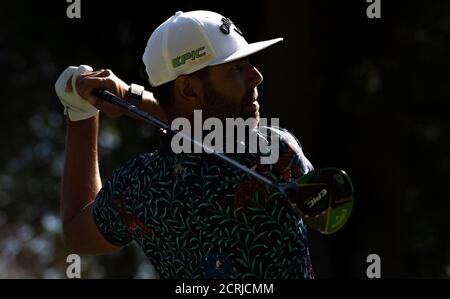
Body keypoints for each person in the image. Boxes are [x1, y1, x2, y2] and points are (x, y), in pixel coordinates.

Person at [57, 10, 314, 279]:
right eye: (235, 68)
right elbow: (206, 131)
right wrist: (130, 97)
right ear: (189, 89)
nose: (255, 75)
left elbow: (77, 233)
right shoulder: (276, 152)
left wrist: (81, 114)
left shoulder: (139, 187)